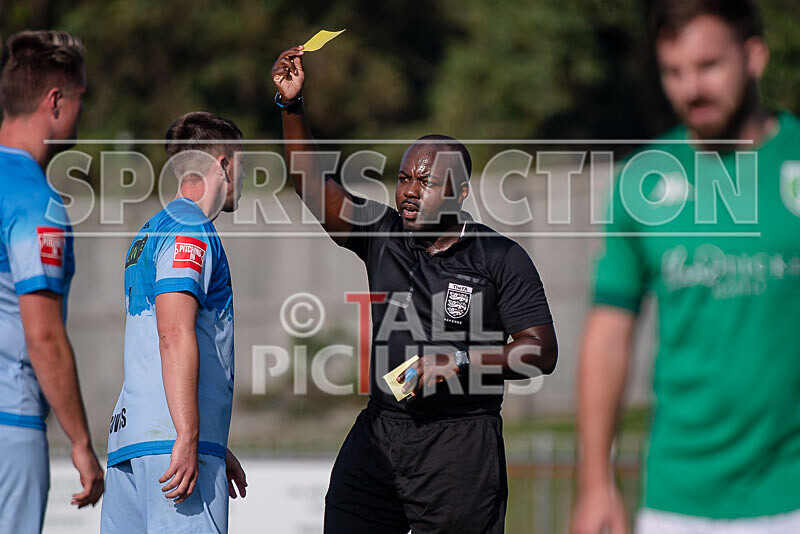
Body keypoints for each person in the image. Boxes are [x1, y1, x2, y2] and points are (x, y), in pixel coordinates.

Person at [272, 46, 558, 534]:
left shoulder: (500, 258)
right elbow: (315, 189)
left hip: (461, 444)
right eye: (403, 178)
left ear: (459, 191)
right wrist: (291, 108)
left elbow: (540, 351)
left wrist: (462, 361)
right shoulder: (382, 234)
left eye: (424, 181)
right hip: (381, 429)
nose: (407, 190)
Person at [571, 1, 800, 533]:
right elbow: (608, 335)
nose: (691, 88)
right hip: (678, 503)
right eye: (673, 72)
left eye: (708, 66)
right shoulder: (642, 184)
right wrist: (595, 483)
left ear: (755, 56)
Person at [100, 112, 247, 533]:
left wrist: (211, 440)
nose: (245, 177)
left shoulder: (150, 230)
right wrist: (187, 435)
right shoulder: (191, 230)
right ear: (222, 164)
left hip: (132, 443)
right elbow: (174, 332)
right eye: (242, 164)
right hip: (171, 448)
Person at [0, 30, 104, 533]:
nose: (83, 110)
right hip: (9, 424)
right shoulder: (34, 200)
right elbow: (42, 336)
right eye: (81, 97)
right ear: (55, 101)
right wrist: (80, 443)